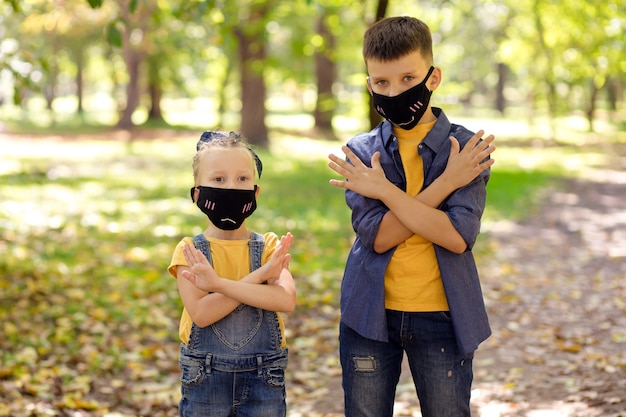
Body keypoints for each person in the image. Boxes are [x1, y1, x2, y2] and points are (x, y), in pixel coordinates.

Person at [327, 16, 496, 417]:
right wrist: (445, 185)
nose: (396, 91)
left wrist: (384, 190)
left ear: (433, 77)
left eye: (408, 79)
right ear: (369, 84)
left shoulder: (467, 149)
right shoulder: (360, 152)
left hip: (443, 315)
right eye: (382, 83)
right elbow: (380, 236)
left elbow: (456, 237)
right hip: (369, 316)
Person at [168, 131, 296, 417]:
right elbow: (201, 313)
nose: (231, 188)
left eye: (242, 179)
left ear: (256, 192)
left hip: (265, 377)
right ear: (197, 193)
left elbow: (285, 300)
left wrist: (218, 285)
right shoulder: (190, 251)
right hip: (206, 377)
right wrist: (260, 276)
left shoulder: (269, 246)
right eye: (218, 179)